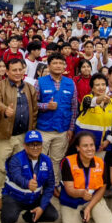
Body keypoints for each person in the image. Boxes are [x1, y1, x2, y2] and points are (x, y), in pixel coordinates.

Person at [0, 58, 38, 211]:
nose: (18, 73)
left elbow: (35, 110)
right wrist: (5, 109)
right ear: (7, 72)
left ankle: (16, 193)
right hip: (6, 135)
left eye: (20, 70)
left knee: (20, 167)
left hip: (23, 135)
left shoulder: (30, 88)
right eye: (14, 70)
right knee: (1, 167)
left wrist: (32, 131)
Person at [0, 130, 58, 223]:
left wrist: (41, 207)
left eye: (38, 144)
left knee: (52, 214)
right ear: (25, 146)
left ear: (41, 145)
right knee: (10, 216)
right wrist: (27, 183)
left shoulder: (47, 161)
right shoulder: (16, 159)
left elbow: (49, 186)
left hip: (33, 198)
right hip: (14, 197)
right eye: (31, 144)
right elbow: (16, 176)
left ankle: (31, 218)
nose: (35, 147)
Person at [59, 132, 112, 223]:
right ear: (77, 148)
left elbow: (103, 187)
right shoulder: (68, 162)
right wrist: (81, 193)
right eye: (85, 146)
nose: (90, 149)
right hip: (72, 202)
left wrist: (89, 207)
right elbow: (70, 190)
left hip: (92, 200)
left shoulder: (100, 162)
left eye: (92, 145)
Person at [36, 52, 77, 188]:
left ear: (65, 66)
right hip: (43, 129)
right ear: (49, 65)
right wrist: (46, 106)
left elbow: (74, 107)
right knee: (39, 159)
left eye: (61, 63)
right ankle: (38, 185)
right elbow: (33, 104)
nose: (58, 66)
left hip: (62, 129)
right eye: (55, 63)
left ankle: (53, 185)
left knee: (56, 160)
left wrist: (71, 129)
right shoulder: (40, 82)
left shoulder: (70, 83)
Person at [75, 73, 112, 153]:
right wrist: (101, 98)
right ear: (92, 88)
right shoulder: (87, 98)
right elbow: (92, 102)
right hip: (85, 144)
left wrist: (108, 140)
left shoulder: (111, 101)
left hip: (103, 145)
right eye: (97, 85)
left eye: (103, 84)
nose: (101, 87)